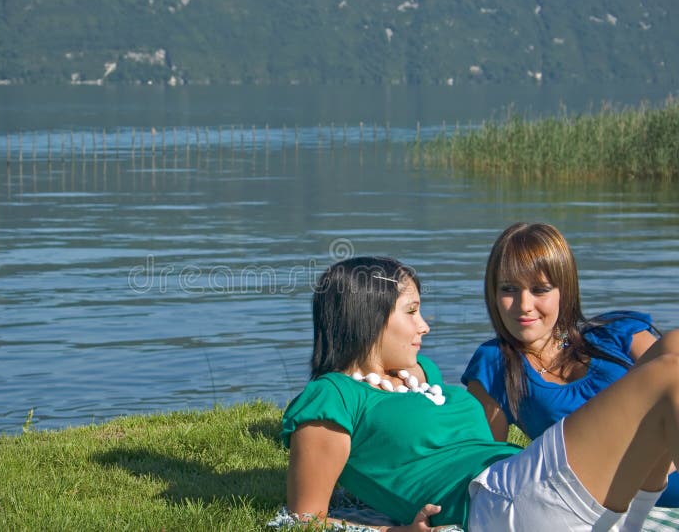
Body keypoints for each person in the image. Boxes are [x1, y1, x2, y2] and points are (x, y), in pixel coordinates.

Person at [282, 255, 679, 531]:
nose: (424, 327)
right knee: (667, 377)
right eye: (411, 312)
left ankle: (634, 523)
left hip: (523, 480)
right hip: (498, 504)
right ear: (367, 317)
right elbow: (305, 518)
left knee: (673, 349)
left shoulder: (424, 373)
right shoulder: (333, 395)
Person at [461, 222, 679, 507]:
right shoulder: (496, 363)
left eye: (540, 289)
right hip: (602, 484)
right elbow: (488, 462)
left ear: (564, 290)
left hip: (664, 466)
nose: (524, 304)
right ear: (493, 293)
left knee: (674, 344)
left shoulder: (613, 334)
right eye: (509, 289)